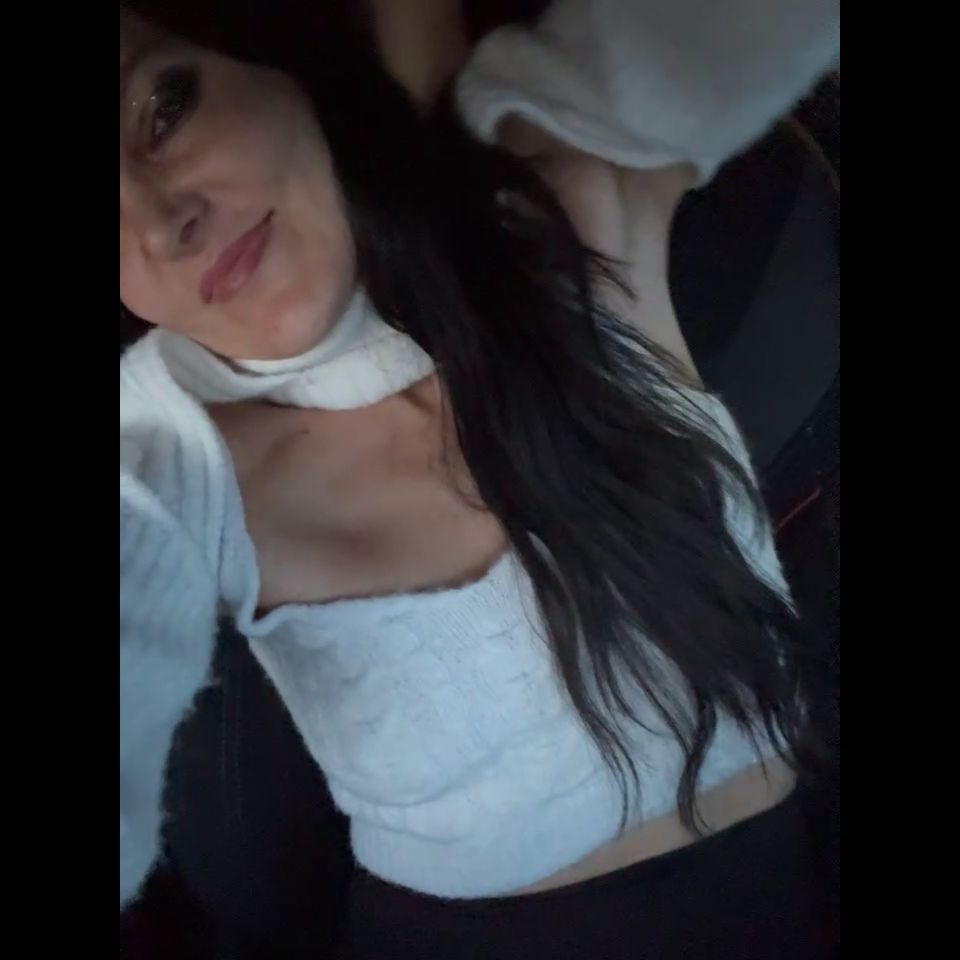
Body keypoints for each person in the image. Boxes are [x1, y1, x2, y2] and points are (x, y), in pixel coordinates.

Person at [119, 1, 839, 956]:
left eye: (163, 109)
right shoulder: (171, 453)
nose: (162, 223)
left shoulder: (563, 203)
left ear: (260, 62)